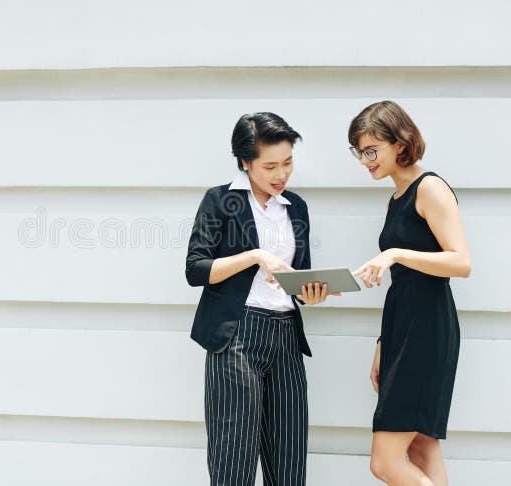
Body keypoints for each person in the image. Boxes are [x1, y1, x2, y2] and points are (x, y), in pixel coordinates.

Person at [185, 112, 338, 486]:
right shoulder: (220, 200)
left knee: (289, 462)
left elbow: (297, 276)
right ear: (245, 162)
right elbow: (195, 269)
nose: (281, 174)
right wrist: (255, 256)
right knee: (233, 461)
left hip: (286, 338)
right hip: (237, 336)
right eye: (270, 166)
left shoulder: (295, 206)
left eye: (288, 162)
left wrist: (311, 293)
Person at [348, 101, 471, 486]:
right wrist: (382, 344)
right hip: (402, 325)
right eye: (358, 152)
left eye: (371, 151)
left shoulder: (429, 188)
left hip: (427, 328)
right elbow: (402, 282)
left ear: (400, 143)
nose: (364, 160)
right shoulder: (396, 197)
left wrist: (396, 253)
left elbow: (461, 262)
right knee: (421, 449)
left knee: (384, 463)